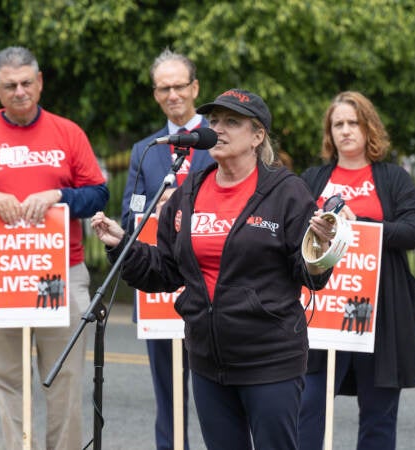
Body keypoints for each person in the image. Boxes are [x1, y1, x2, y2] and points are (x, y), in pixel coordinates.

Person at [92, 88, 335, 450]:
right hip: (207, 361)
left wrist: (321, 248)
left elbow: (308, 274)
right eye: (214, 120)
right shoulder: (188, 193)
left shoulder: (287, 193)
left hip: (270, 361)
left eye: (232, 122)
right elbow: (167, 271)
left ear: (257, 135)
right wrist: (123, 245)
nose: (218, 128)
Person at [0, 46, 109, 450]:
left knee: (64, 377)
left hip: (59, 272)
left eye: (26, 83)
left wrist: (60, 196)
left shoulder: (68, 133)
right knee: (7, 378)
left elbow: (98, 192)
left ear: (40, 83)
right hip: (1, 274)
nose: (19, 91)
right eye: (9, 85)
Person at [298, 90, 415, 450]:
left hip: (381, 313)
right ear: (329, 132)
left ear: (369, 128)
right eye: (338, 124)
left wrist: (362, 223)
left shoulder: (393, 177)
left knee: (378, 416)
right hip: (323, 312)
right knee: (309, 408)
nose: (346, 130)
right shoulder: (312, 178)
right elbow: (290, 231)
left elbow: (411, 232)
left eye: (353, 122)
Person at [120, 48, 215, 450]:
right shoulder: (146, 149)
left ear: (194, 88)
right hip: (163, 292)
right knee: (168, 396)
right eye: (164, 88)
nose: (173, 94)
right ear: (156, 94)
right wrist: (154, 209)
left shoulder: (221, 139)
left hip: (214, 290)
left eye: (179, 86)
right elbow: (129, 215)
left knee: (218, 396)